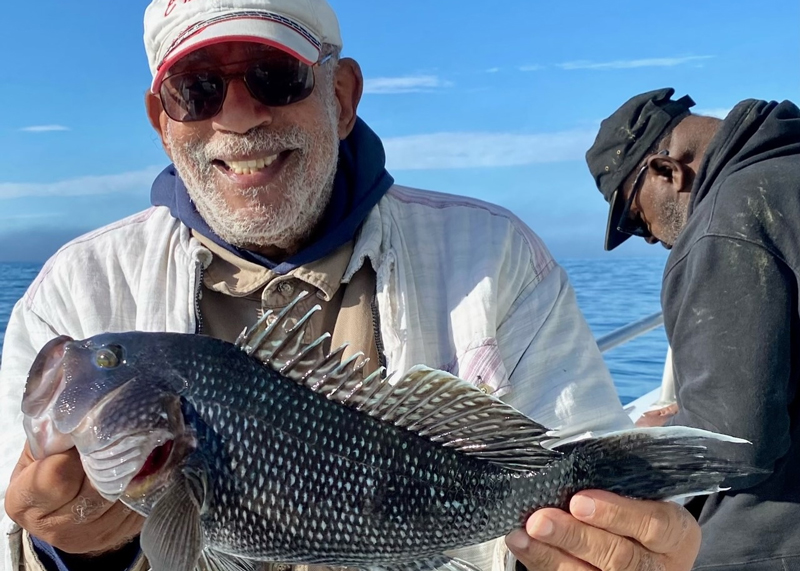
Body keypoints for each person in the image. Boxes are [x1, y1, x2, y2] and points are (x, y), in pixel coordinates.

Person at [0, 1, 702, 569]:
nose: (238, 117)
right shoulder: (73, 293)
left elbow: (584, 477)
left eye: (274, 76)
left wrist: (614, 549)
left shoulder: (497, 257)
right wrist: (68, 551)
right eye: (197, 89)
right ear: (163, 122)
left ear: (340, 97)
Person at [587, 88, 800, 569]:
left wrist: (654, 439)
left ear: (667, 171)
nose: (649, 239)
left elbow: (737, 445)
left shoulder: (728, 224)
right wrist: (694, 413)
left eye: (635, 219)